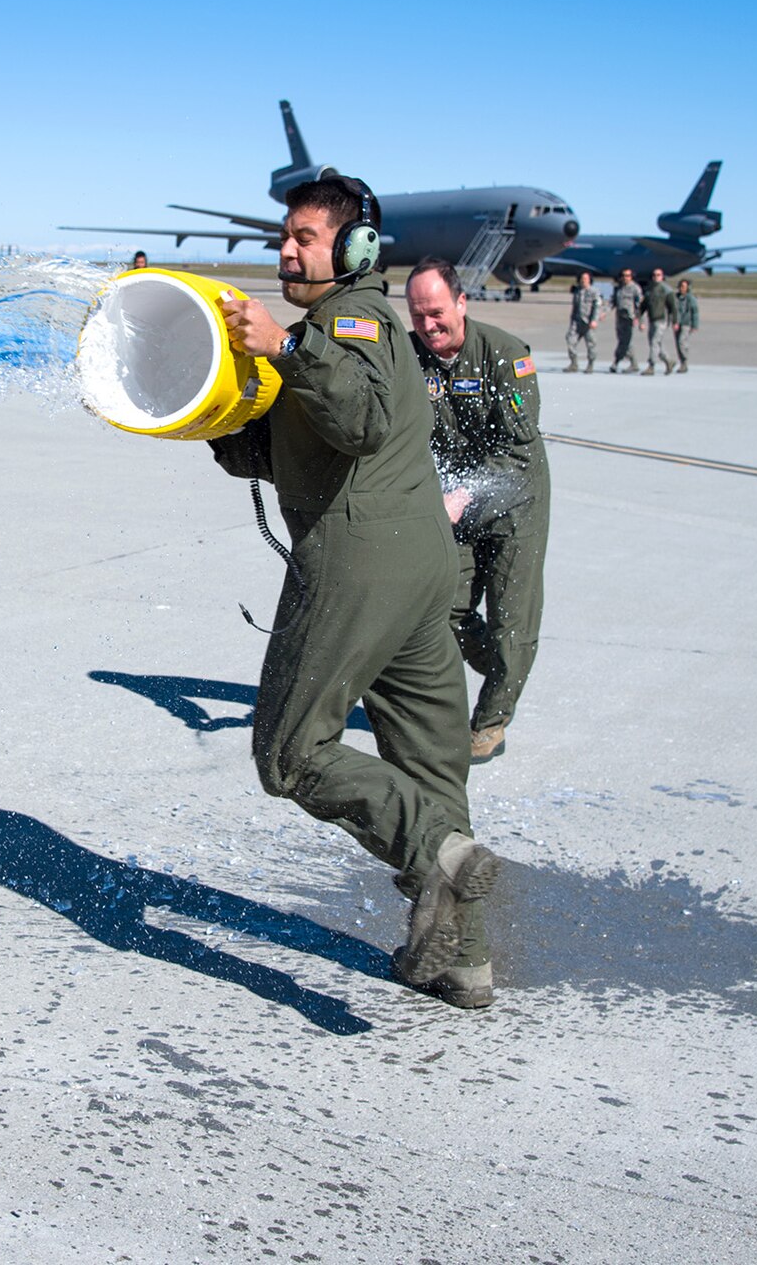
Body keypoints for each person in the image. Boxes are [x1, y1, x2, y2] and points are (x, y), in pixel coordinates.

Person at [208, 175, 501, 1011]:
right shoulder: (328, 332)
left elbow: (361, 418)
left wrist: (288, 350)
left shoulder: (351, 320)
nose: (287, 249)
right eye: (286, 235)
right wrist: (206, 400)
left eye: (304, 236)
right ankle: (461, 961)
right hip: (418, 566)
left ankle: (434, 849)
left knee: (291, 754)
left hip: (359, 559)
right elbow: (271, 448)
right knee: (432, 768)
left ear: (357, 248)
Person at [405, 256, 550, 771]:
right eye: (418, 315)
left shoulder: (506, 356)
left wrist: (463, 493)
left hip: (514, 505)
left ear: (462, 303)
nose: (428, 326)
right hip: (454, 509)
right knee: (444, 613)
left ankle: (490, 722)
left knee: (513, 620)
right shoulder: (409, 353)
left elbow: (517, 447)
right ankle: (506, 671)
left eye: (437, 312)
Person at [641, 269, 679, 375]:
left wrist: (675, 322)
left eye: (658, 275)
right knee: (656, 344)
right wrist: (639, 318)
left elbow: (673, 307)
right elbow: (643, 306)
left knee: (654, 342)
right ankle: (669, 361)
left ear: (662, 276)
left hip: (662, 320)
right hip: (652, 320)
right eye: (654, 275)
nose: (656, 277)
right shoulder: (649, 289)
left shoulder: (666, 290)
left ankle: (651, 366)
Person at [566, 270, 601, 372]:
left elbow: (597, 307)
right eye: (582, 279)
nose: (583, 281)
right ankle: (574, 363)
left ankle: (590, 364)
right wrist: (572, 320)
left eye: (585, 279)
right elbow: (575, 307)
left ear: (590, 280)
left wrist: (594, 320)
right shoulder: (577, 291)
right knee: (570, 340)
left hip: (588, 322)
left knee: (591, 344)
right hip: (577, 321)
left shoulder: (594, 292)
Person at [609, 269, 642, 373]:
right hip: (620, 318)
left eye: (628, 275)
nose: (625, 278)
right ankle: (630, 363)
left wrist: (638, 319)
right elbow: (613, 302)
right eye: (623, 275)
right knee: (622, 341)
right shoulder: (618, 288)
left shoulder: (635, 288)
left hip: (629, 318)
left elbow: (640, 305)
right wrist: (604, 313)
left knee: (626, 342)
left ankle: (619, 362)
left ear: (631, 276)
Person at [674, 276, 700, 372]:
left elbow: (695, 312)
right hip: (677, 324)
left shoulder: (691, 299)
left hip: (686, 323)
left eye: (684, 286)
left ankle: (685, 360)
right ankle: (682, 363)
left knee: (682, 342)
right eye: (680, 286)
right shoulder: (675, 298)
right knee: (678, 343)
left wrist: (695, 325)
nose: (682, 288)